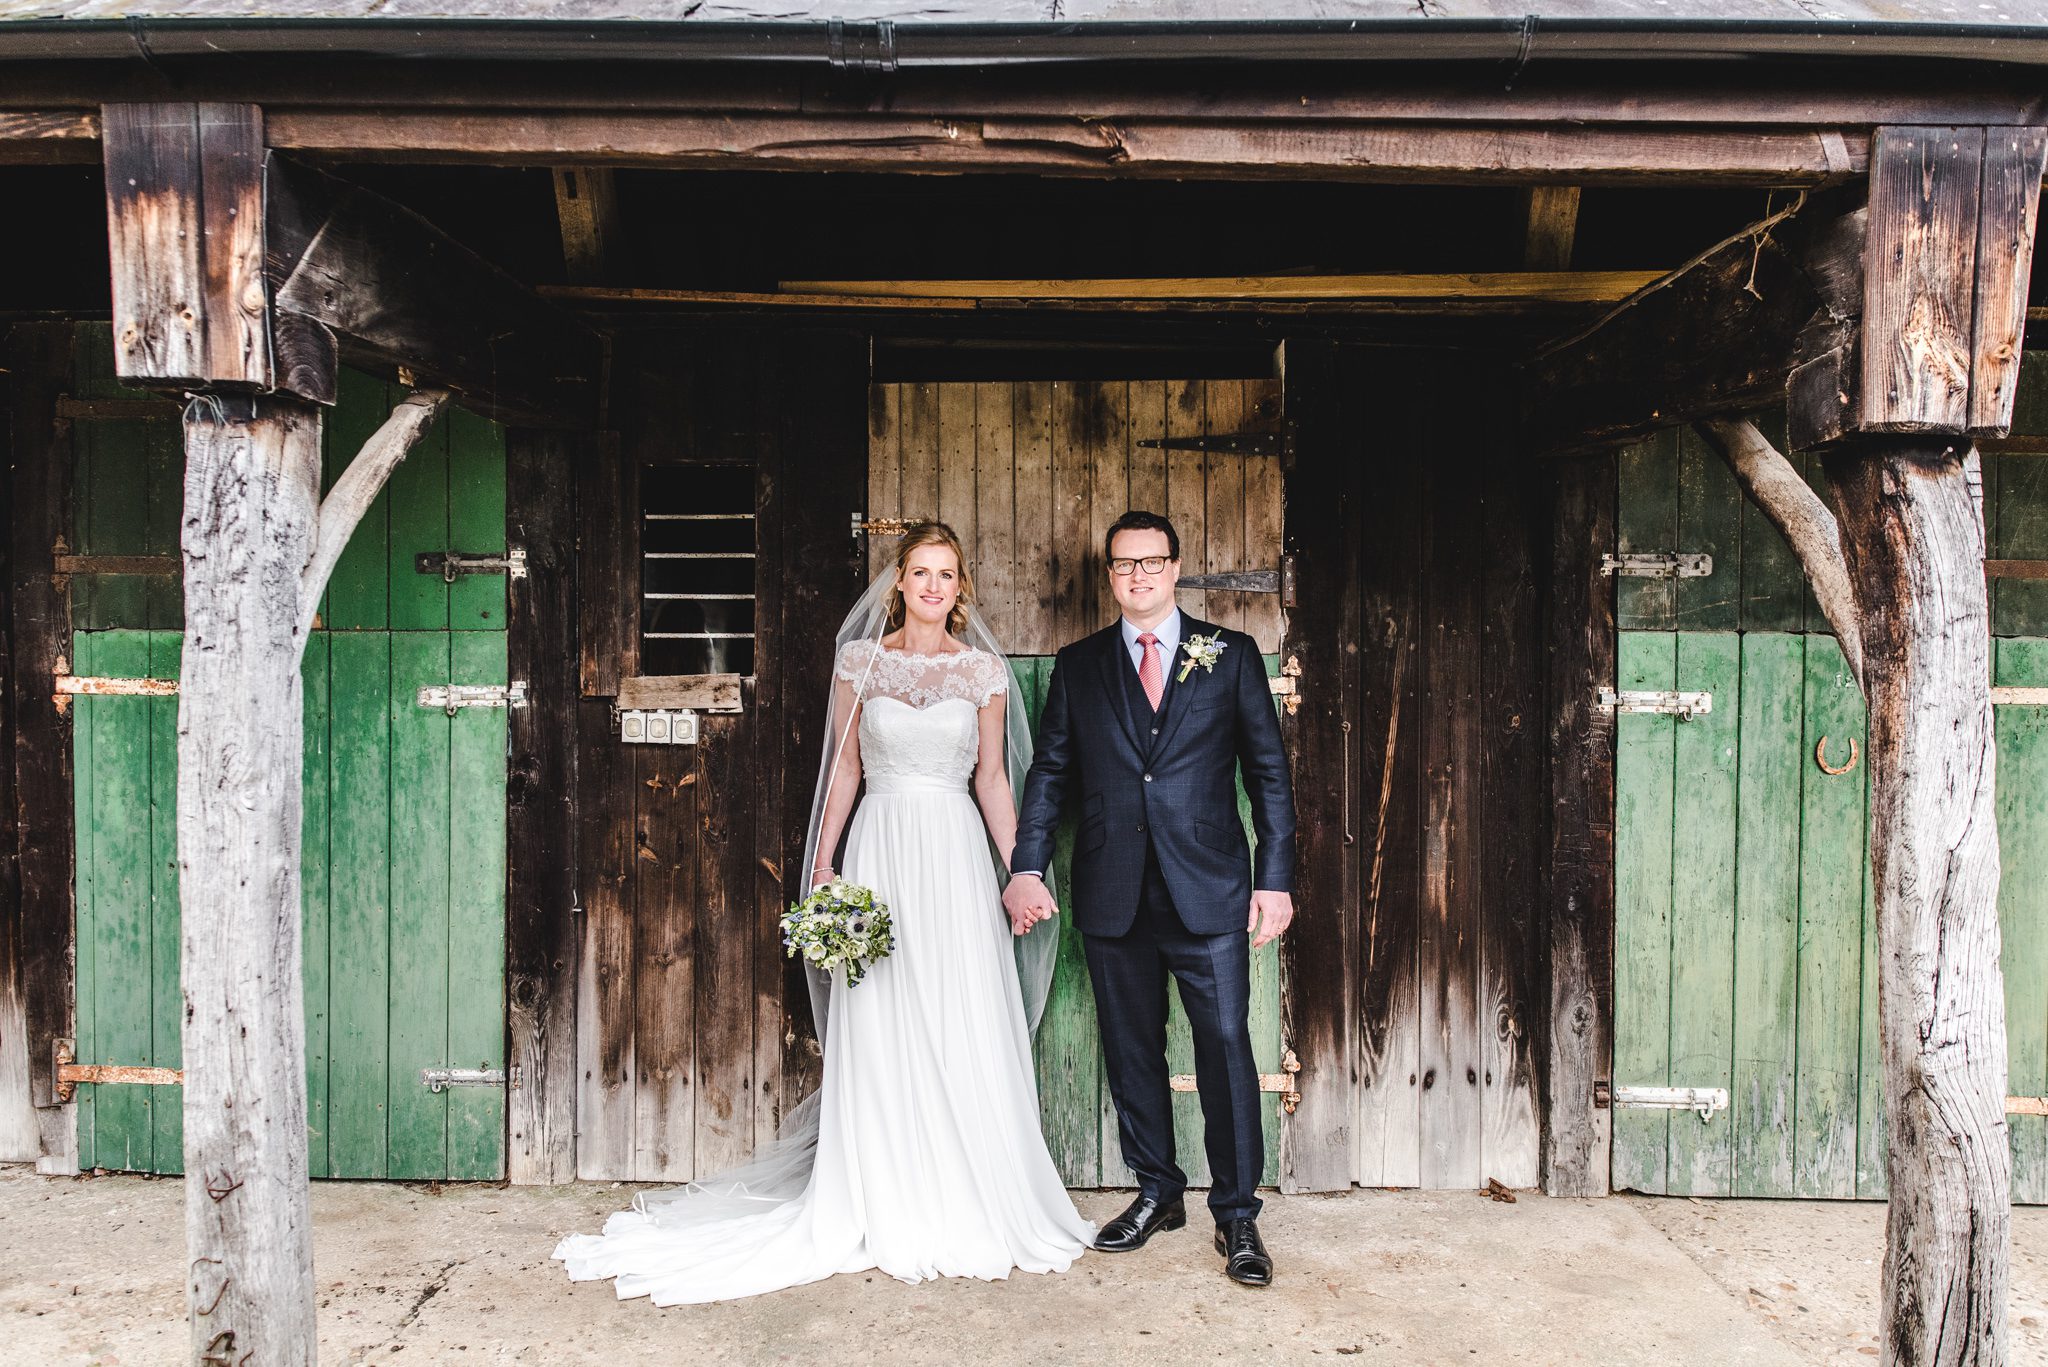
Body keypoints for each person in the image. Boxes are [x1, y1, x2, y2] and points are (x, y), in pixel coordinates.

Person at [554, 522, 1092, 1305]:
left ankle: (967, 1188)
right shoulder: (860, 662)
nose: (933, 586)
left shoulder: (982, 673)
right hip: (879, 850)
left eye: (946, 573)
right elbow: (843, 767)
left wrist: (1019, 871)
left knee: (956, 1011)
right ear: (899, 581)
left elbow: (992, 783)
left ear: (960, 586)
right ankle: (879, 1189)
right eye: (920, 571)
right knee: (882, 1018)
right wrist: (823, 864)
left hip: (950, 854)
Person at [1003, 509, 1297, 1288]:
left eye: (1152, 562)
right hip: (1113, 888)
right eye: (1123, 564)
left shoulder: (1230, 656)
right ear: (1111, 575)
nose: (1138, 575)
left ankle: (1236, 1213)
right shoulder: (1079, 664)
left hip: (1210, 888)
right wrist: (1027, 865)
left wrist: (1275, 878)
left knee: (1227, 1047)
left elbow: (1268, 774)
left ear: (1174, 569)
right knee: (1132, 1048)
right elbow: (1051, 776)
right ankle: (1158, 1188)